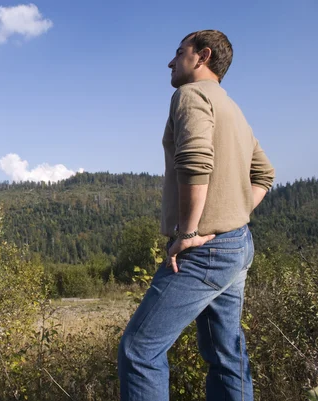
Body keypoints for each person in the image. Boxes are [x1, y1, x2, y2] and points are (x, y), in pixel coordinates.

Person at [117, 30, 275, 400]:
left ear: (202, 56)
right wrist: (232, 214)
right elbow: (264, 175)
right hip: (237, 243)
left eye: (178, 52)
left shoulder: (189, 95)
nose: (171, 62)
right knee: (226, 355)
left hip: (204, 250)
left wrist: (188, 233)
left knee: (139, 351)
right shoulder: (232, 108)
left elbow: (195, 161)